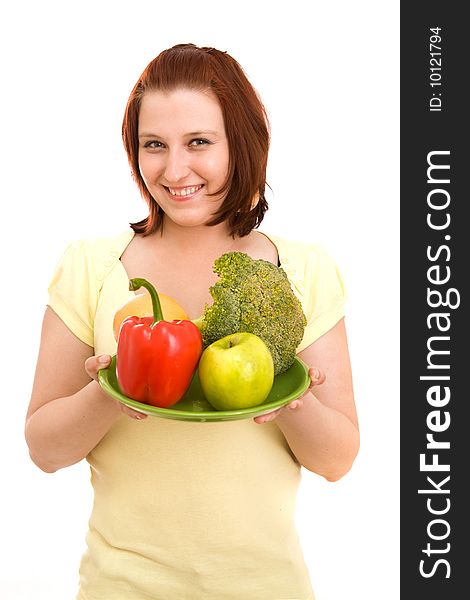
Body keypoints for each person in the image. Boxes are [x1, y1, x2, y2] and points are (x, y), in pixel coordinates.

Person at [25, 43, 359, 599]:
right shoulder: (92, 265)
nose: (174, 170)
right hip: (120, 587)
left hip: (267, 588)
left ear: (242, 144)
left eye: (199, 142)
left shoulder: (302, 269)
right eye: (154, 145)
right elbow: (43, 448)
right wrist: (110, 389)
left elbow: (338, 460)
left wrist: (292, 402)